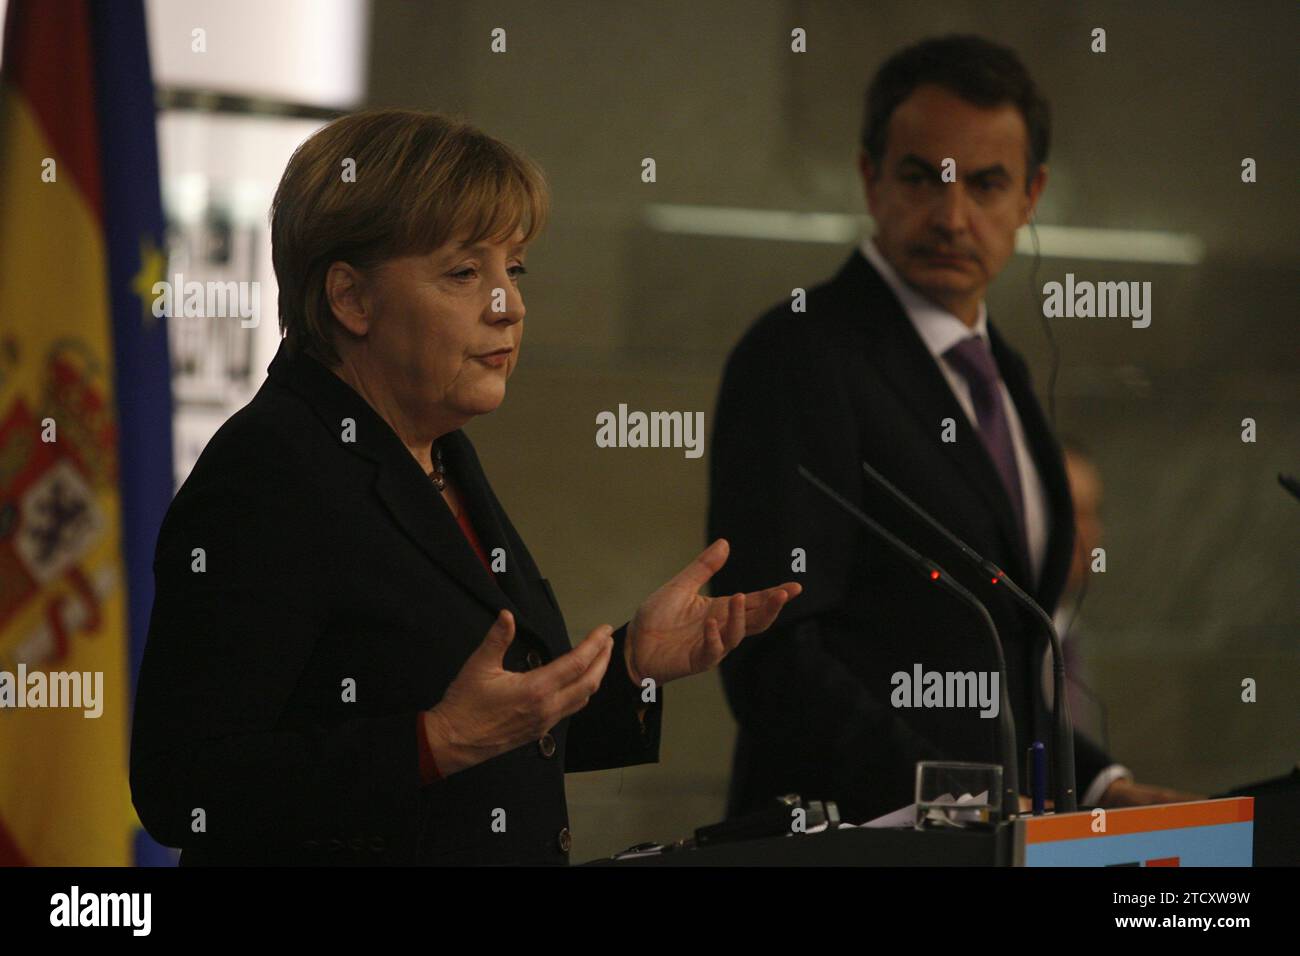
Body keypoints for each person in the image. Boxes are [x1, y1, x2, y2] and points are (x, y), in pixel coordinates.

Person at [129, 108, 801, 865]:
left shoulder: (437, 450)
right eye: (463, 273)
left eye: (513, 269)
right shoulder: (270, 471)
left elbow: (492, 724)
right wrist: (431, 742)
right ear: (351, 299)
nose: (507, 304)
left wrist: (631, 669)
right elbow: (183, 784)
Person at [708, 34, 1194, 823]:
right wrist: (961, 801)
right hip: (862, 839)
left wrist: (1099, 785)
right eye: (920, 177)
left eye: (987, 183)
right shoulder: (799, 352)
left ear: (1031, 197)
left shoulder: (1002, 372)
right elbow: (772, 650)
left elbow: (1001, 662)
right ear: (870, 178)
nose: (952, 215)